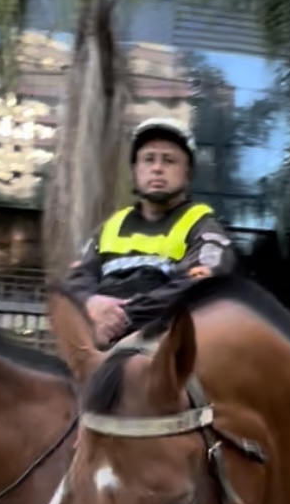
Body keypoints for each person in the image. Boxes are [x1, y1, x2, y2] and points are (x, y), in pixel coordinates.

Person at [64, 117, 236, 346]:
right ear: (135, 170)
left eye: (169, 161)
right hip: (99, 347)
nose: (157, 168)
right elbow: (77, 278)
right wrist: (90, 303)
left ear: (187, 173)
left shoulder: (203, 227)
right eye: (148, 159)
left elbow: (199, 283)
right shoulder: (110, 227)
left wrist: (124, 317)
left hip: (166, 352)